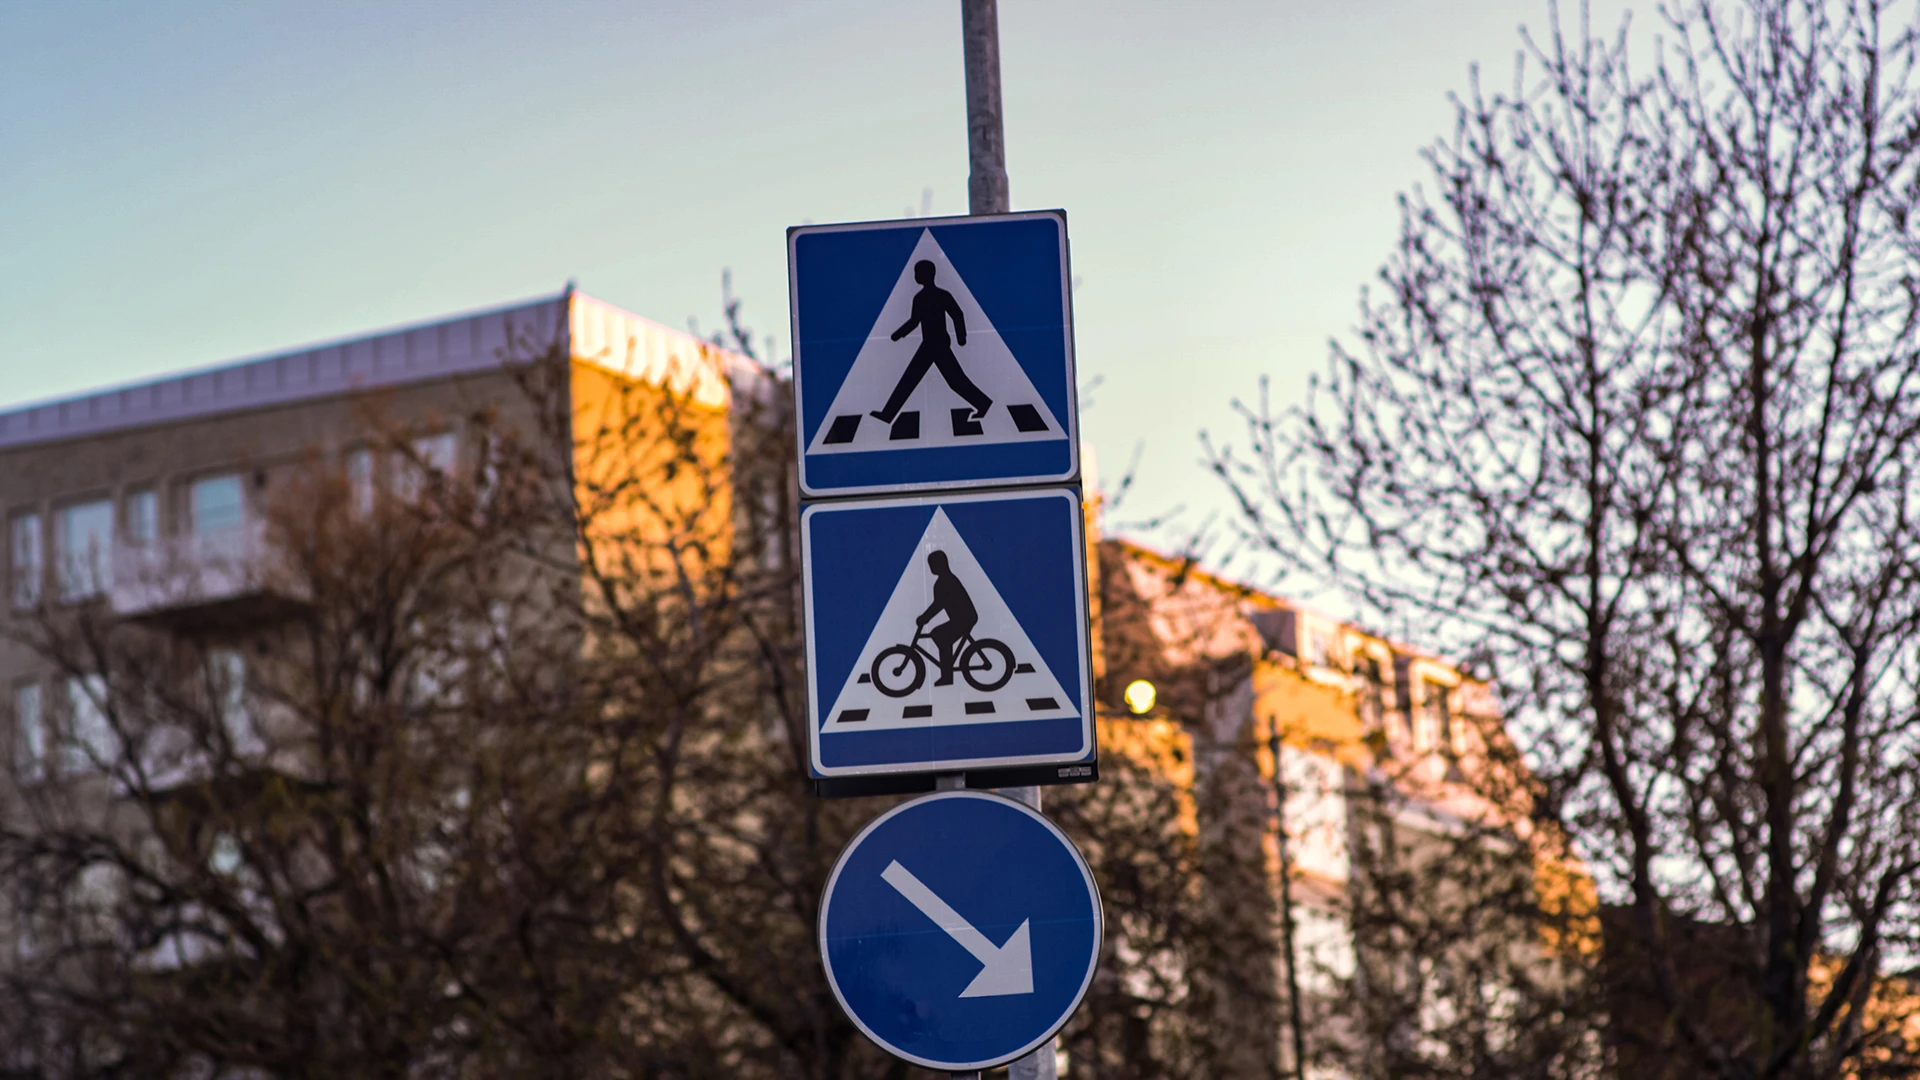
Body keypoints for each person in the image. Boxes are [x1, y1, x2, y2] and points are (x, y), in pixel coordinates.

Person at [871, 260, 993, 425]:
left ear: (928, 274)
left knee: (953, 381)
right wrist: (898, 334)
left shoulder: (942, 295)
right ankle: (888, 414)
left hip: (939, 344)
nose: (916, 276)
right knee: (915, 379)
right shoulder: (919, 298)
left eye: (918, 272)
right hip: (928, 344)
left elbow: (957, 314)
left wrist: (961, 338)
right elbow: (915, 321)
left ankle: (983, 403)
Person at [915, 550, 978, 686]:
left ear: (942, 564)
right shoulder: (944, 580)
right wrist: (926, 617)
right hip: (961, 618)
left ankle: (947, 676)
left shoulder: (946, 581)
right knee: (937, 634)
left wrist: (925, 617)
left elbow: (939, 604)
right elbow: (939, 604)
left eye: (933, 564)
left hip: (965, 618)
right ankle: (947, 670)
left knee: (940, 636)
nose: (931, 567)